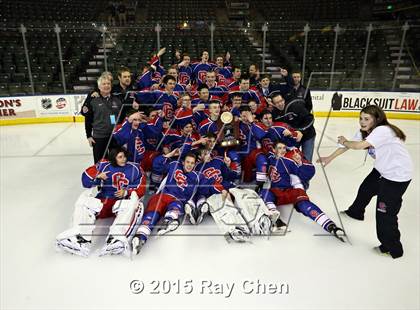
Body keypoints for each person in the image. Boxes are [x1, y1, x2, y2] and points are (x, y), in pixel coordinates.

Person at [318, 105, 413, 258]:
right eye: (361, 118)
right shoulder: (365, 131)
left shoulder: (382, 130)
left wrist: (346, 141)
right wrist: (329, 157)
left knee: (385, 214)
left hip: (396, 176)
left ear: (377, 119)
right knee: (366, 189)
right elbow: (347, 145)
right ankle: (356, 212)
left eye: (366, 119)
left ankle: (393, 248)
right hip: (382, 171)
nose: (362, 122)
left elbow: (357, 145)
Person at [56, 147, 146, 257]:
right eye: (120, 157)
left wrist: (126, 192)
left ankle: (116, 239)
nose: (124, 159)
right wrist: (97, 176)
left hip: (122, 202)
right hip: (105, 200)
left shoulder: (135, 168)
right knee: (84, 202)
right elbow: (85, 180)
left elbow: (141, 188)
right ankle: (81, 239)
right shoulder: (104, 165)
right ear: (113, 158)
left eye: (124, 156)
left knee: (133, 204)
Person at [260, 141, 344, 240]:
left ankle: (330, 225)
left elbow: (308, 173)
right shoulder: (270, 157)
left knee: (304, 205)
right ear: (273, 150)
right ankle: (276, 219)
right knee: (264, 193)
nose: (283, 150)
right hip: (277, 192)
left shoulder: (289, 161)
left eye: (284, 148)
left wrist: (300, 163)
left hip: (290, 191)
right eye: (279, 148)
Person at [81, 75, 123, 163]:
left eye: (108, 83)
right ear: (99, 87)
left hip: (114, 136)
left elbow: (122, 118)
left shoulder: (117, 99)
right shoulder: (93, 100)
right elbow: (87, 119)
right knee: (100, 162)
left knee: (115, 161)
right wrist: (88, 135)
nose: (106, 86)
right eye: (104, 84)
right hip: (99, 137)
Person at [270, 93, 315, 162]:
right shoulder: (274, 114)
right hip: (293, 138)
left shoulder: (295, 106)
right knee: (294, 158)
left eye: (281, 101)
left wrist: (301, 131)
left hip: (307, 135)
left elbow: (310, 119)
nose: (280, 104)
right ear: (273, 104)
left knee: (306, 159)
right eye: (277, 103)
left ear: (284, 100)